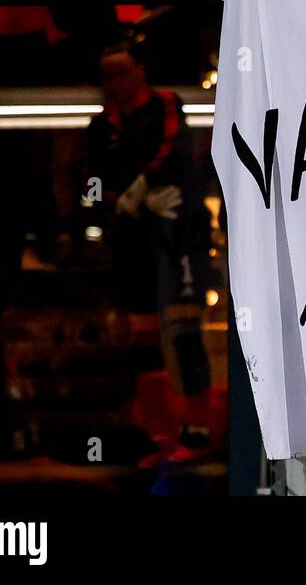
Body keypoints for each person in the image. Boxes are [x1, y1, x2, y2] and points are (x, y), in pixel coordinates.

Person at [85, 40, 214, 463]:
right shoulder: (101, 126)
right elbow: (91, 179)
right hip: (130, 243)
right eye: (108, 75)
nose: (116, 82)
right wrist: (115, 201)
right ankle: (160, 433)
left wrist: (142, 188)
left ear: (140, 70)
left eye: (122, 71)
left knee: (182, 331)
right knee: (141, 337)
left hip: (178, 237)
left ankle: (197, 431)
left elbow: (176, 151)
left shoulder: (166, 105)